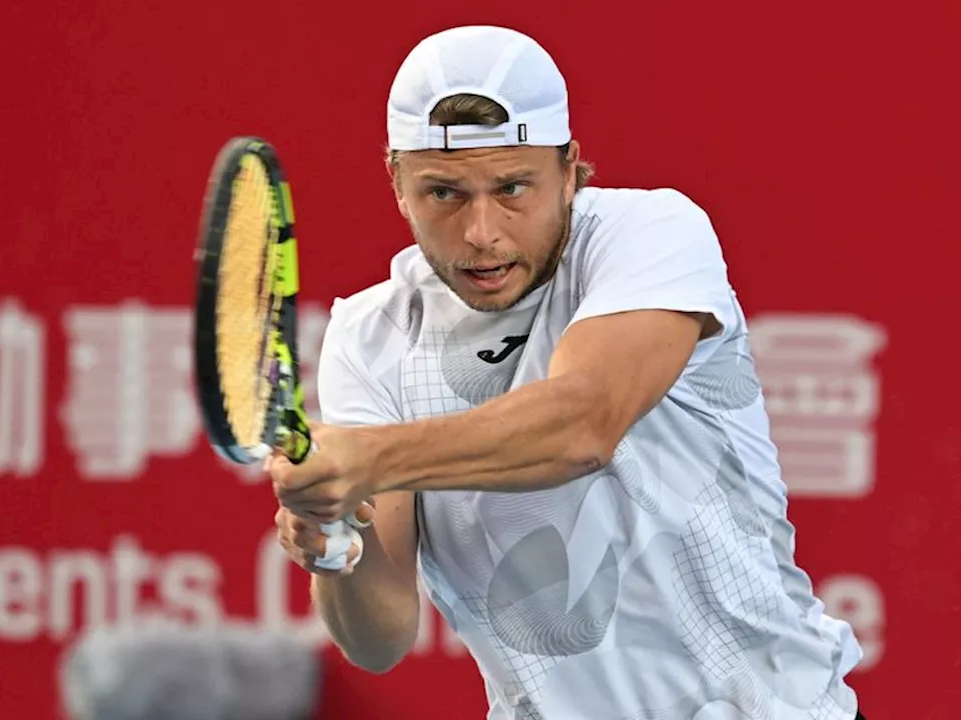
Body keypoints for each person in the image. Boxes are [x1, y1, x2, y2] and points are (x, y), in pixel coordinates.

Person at [267, 24, 866, 720]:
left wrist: (365, 458)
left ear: (570, 168)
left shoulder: (651, 234)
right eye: (444, 194)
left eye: (514, 187)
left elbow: (582, 425)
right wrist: (336, 542)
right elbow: (381, 638)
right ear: (396, 181)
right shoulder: (368, 338)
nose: (481, 231)